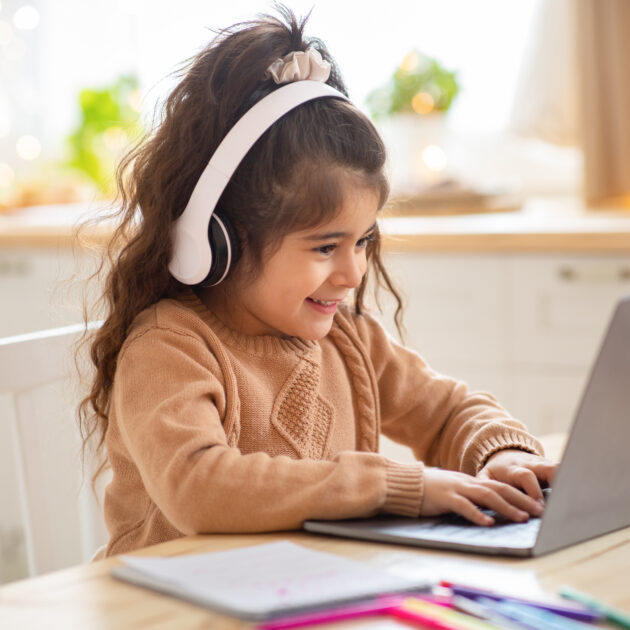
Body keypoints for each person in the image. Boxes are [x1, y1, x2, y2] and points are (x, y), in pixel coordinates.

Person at [80, 6, 556, 559]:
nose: (352, 273)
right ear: (218, 241)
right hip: (166, 612)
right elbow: (200, 487)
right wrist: (397, 486)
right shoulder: (168, 349)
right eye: (326, 246)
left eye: (362, 242)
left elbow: (448, 411)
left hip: (305, 598)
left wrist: (502, 456)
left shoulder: (350, 341)